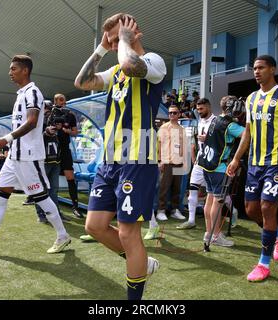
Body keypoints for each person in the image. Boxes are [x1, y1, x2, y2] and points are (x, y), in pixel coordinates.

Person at [74, 13, 166, 300]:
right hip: (110, 160)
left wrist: (125, 41)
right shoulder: (114, 71)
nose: (115, 45)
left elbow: (131, 64)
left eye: (117, 38)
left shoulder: (153, 61)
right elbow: (82, 82)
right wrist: (101, 48)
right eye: (111, 40)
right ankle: (141, 262)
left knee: (128, 233)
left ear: (135, 31)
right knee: (95, 226)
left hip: (138, 160)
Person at [0, 55, 71, 254]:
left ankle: (63, 236)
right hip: (14, 157)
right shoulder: (21, 94)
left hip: (28, 157)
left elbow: (32, 121)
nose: (10, 73)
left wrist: (7, 139)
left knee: (41, 198)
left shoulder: (33, 92)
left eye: (13, 69)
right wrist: (9, 143)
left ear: (25, 70)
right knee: (0, 197)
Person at [226, 55, 278, 282]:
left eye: (261, 67)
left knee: (267, 207)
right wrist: (235, 159)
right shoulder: (251, 99)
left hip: (277, 163)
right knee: (251, 210)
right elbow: (248, 133)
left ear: (273, 69)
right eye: (254, 68)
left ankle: (263, 263)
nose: (256, 71)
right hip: (255, 164)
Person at [198, 96, 245, 250]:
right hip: (219, 168)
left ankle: (208, 233)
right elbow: (247, 135)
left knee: (210, 199)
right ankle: (216, 235)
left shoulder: (215, 119)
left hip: (207, 165)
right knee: (217, 202)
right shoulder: (230, 125)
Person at [176, 98, 214, 230]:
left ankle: (233, 213)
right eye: (198, 109)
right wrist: (194, 159)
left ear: (208, 107)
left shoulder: (216, 121)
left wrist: (208, 138)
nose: (199, 111)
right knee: (193, 189)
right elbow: (194, 143)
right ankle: (191, 220)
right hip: (200, 161)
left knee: (218, 193)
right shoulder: (198, 122)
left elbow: (222, 140)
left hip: (213, 161)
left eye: (201, 109)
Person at [34, 100, 70, 223]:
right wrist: (46, 132)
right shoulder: (37, 120)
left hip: (55, 162)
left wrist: (60, 126)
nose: (48, 112)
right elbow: (37, 136)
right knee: (42, 189)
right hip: (43, 162)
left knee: (54, 190)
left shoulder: (55, 122)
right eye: (47, 109)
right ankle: (41, 214)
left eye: (50, 109)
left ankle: (56, 213)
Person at [48, 93, 83, 219]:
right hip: (52, 150)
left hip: (65, 149)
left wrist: (68, 131)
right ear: (55, 101)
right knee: (49, 178)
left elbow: (75, 132)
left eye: (63, 99)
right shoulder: (50, 114)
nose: (61, 101)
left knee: (70, 177)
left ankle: (75, 207)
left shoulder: (70, 114)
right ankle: (46, 206)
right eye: (59, 99)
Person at [156, 105, 187, 221]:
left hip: (178, 162)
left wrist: (184, 161)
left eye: (174, 113)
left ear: (179, 114)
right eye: (170, 113)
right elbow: (158, 145)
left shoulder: (182, 129)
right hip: (167, 162)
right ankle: (161, 210)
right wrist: (160, 161)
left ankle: (175, 210)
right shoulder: (164, 128)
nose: (172, 115)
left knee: (177, 188)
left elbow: (183, 146)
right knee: (164, 187)